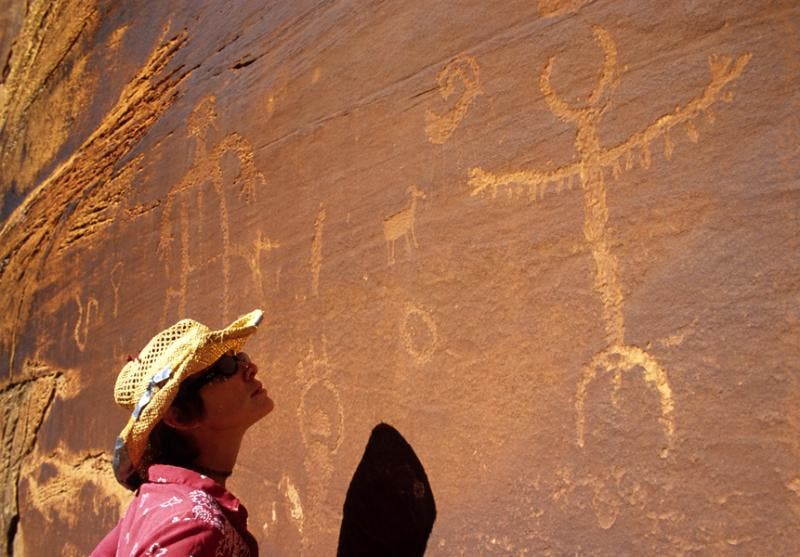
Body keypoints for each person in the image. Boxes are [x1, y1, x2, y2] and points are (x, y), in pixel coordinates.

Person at [91, 309, 273, 556]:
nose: (251, 368)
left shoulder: (151, 502)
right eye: (226, 366)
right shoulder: (195, 527)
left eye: (238, 357)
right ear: (180, 416)